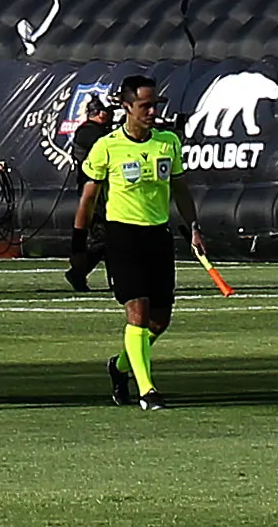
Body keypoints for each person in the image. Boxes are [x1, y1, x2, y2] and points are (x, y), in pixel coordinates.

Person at [73, 74, 188, 407]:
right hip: (122, 237)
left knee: (159, 320)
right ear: (126, 107)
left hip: (159, 237)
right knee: (136, 314)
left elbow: (181, 189)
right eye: (145, 106)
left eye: (156, 105)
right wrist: (78, 247)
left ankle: (120, 365)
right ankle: (147, 389)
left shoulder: (167, 142)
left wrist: (193, 227)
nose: (152, 112)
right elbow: (87, 200)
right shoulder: (107, 147)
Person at [53, 95, 115, 295]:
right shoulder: (87, 132)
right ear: (99, 113)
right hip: (93, 191)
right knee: (104, 237)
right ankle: (80, 271)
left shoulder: (99, 132)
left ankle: (88, 273)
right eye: (109, 111)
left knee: (109, 238)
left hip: (105, 191)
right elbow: (105, 145)